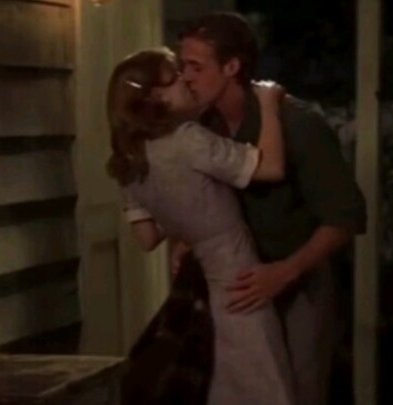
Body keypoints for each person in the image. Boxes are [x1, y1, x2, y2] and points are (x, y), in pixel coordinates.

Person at [175, 12, 367, 405]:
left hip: (295, 284)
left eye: (196, 67)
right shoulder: (203, 128)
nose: (186, 78)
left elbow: (344, 217)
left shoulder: (297, 125)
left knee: (297, 392)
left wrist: (286, 271)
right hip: (234, 287)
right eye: (182, 67)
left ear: (232, 67)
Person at [106, 47, 296, 405]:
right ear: (155, 96)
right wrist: (269, 104)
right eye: (176, 77)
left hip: (197, 284)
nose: (186, 80)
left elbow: (147, 237)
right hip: (237, 275)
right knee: (261, 384)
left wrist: (190, 226)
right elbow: (270, 167)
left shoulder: (130, 159)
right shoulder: (189, 139)